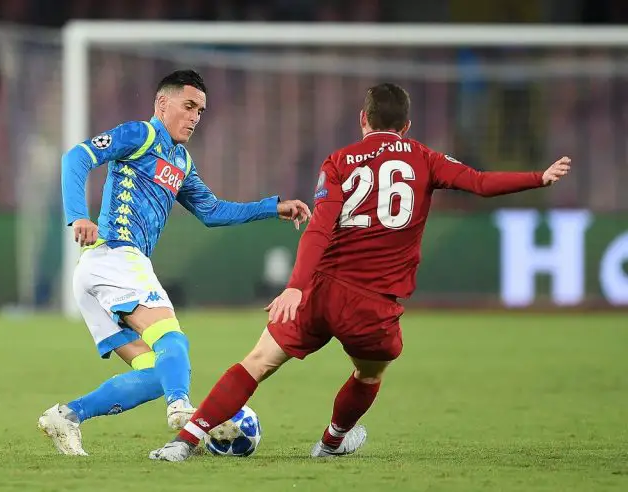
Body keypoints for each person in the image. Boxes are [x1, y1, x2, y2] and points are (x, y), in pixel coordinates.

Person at [148, 82, 572, 461]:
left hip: (320, 290)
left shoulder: (339, 161)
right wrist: (538, 177)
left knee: (257, 362)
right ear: (406, 125)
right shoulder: (425, 158)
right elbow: (480, 182)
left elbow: (319, 227)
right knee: (368, 374)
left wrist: (296, 287)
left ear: (363, 119)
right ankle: (331, 442)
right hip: (374, 303)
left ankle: (183, 442)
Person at [39, 69, 311, 456]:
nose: (195, 117)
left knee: (154, 375)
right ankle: (181, 408)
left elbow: (213, 211)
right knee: (173, 339)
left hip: (98, 271)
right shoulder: (141, 134)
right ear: (162, 104)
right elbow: (76, 158)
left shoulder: (181, 162)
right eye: (188, 106)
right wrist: (78, 215)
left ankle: (66, 416)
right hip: (117, 254)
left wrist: (272, 208)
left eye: (200, 111)